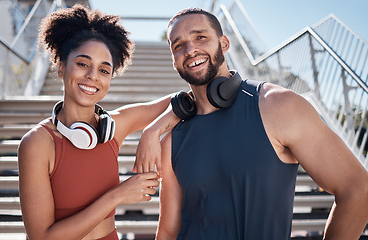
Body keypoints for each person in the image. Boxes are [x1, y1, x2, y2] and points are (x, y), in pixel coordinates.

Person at [133, 7, 368, 240]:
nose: (190, 49)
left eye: (200, 37)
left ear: (224, 44)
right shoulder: (172, 140)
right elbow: (168, 231)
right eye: (178, 45)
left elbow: (358, 189)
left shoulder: (278, 105)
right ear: (174, 60)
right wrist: (152, 130)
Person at [18, 5, 171, 240]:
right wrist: (117, 195)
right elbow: (42, 237)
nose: (93, 76)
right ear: (61, 67)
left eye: (104, 70)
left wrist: (151, 132)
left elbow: (184, 101)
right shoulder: (37, 143)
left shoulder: (113, 127)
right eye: (82, 64)